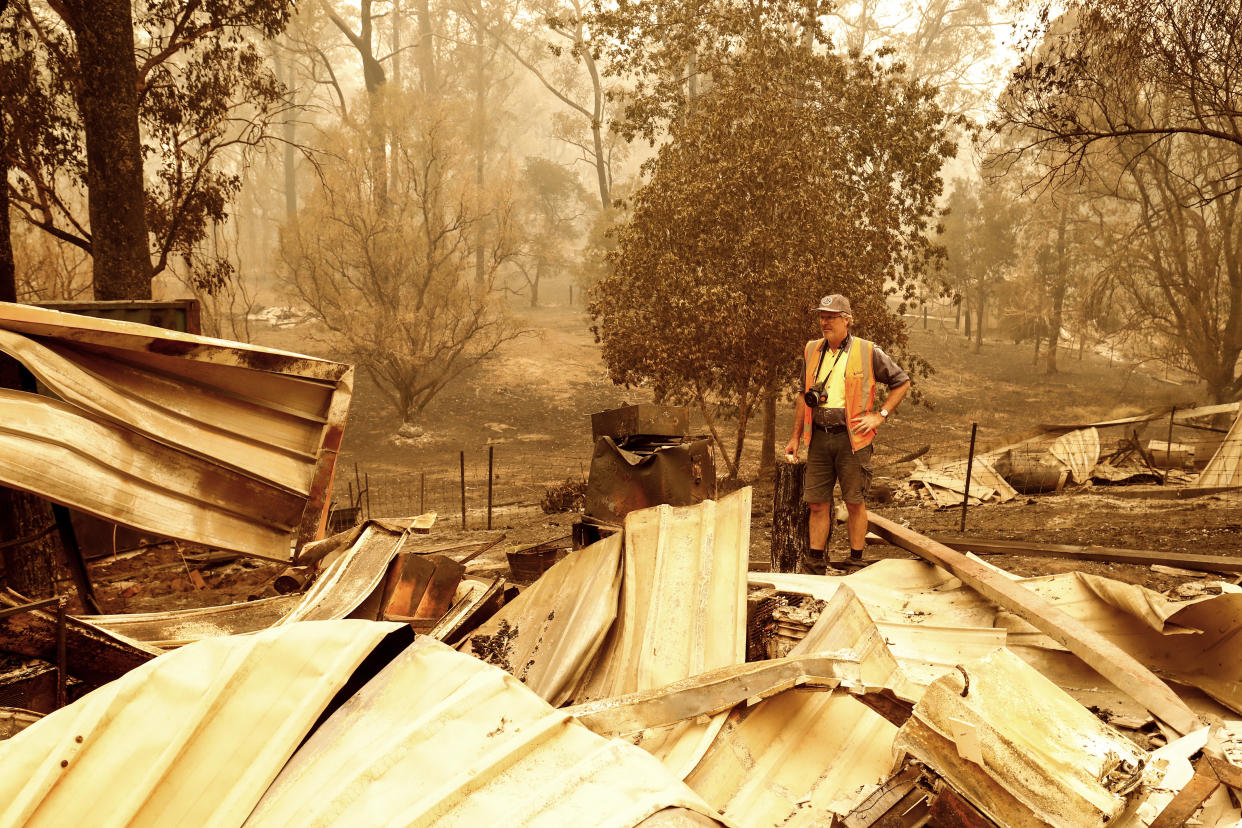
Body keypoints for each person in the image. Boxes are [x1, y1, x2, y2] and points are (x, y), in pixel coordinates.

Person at [783, 294, 910, 574]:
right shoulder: (811, 350)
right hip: (818, 437)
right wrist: (794, 438)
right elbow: (803, 396)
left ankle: (855, 561)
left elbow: (902, 381)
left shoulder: (868, 351)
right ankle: (815, 563)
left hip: (853, 439)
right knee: (817, 502)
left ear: (846, 320)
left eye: (831, 317)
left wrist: (880, 415)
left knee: (854, 501)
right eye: (822, 316)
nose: (824, 322)